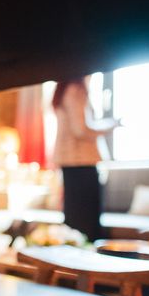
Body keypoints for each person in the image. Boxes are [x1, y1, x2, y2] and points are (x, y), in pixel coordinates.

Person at [52, 76, 120, 241]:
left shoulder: (64, 89)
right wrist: (111, 125)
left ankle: (72, 259)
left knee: (75, 216)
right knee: (86, 218)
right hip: (81, 160)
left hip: (70, 161)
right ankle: (86, 259)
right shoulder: (76, 89)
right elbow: (81, 129)